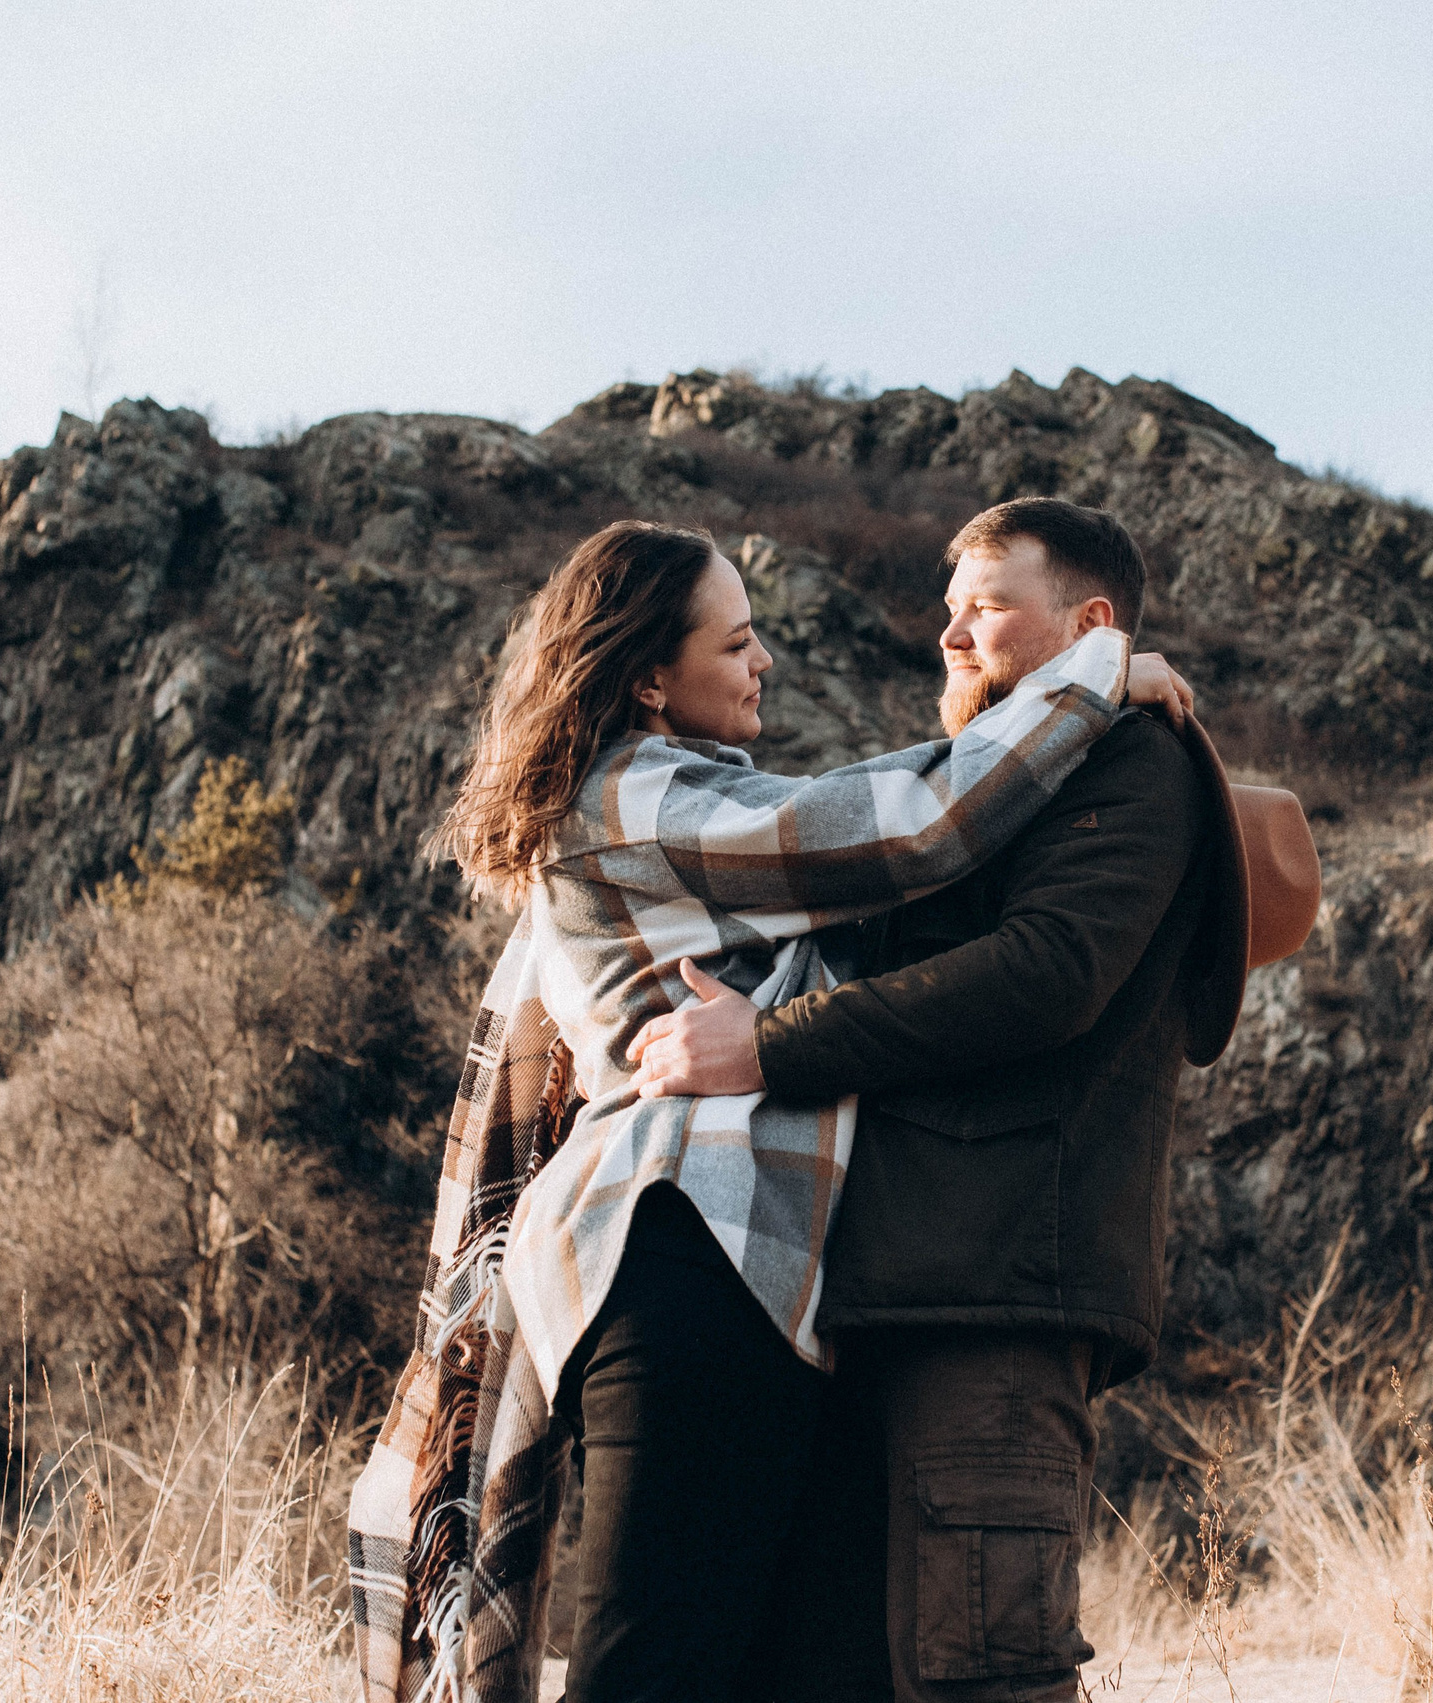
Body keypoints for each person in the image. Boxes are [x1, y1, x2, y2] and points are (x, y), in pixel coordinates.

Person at [346, 517, 1197, 1703]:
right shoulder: (637, 791)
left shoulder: (679, 795)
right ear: (649, 674)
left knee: (757, 1660)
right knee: (658, 1660)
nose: (763, 664)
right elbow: (911, 823)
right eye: (735, 642)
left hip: (744, 1262)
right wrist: (1093, 678)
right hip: (684, 1238)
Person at [627, 497, 1250, 1703]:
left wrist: (765, 1044)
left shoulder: (1133, 757)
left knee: (982, 1669)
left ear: (1090, 625)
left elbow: (1043, 973)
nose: (952, 636)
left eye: (988, 606)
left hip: (996, 1292)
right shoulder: (985, 790)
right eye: (949, 611)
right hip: (886, 1297)